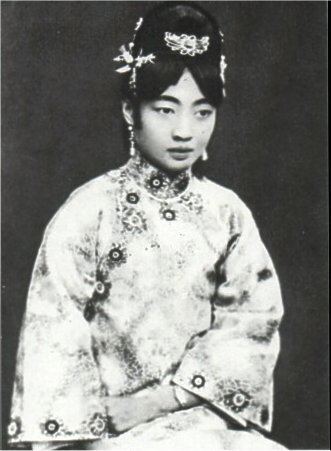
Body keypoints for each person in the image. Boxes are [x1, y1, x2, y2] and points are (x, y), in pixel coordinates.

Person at [8, 2, 286, 450]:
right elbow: (52, 335)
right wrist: (98, 422)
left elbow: (253, 323)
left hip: (205, 419)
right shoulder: (88, 214)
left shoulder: (227, 215)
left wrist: (167, 399)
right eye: (165, 109)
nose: (184, 131)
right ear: (129, 111)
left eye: (202, 111)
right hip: (105, 431)